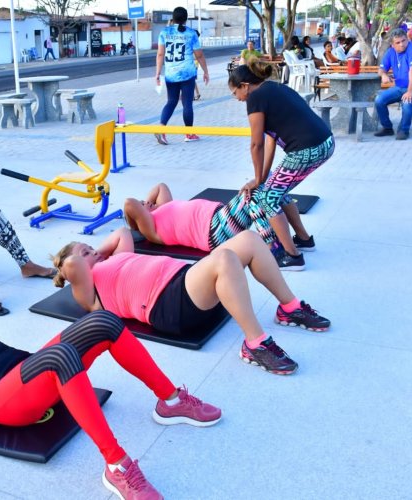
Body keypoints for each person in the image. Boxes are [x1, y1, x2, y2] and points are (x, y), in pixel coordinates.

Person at [0, 284, 221, 499]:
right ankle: (117, 466)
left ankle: (171, 401)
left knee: (106, 320)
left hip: (34, 373)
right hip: (2, 401)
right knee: (61, 355)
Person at [54, 227, 332, 375]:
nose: (94, 252)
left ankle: (289, 308)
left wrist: (98, 253)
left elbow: (122, 233)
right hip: (167, 306)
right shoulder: (89, 294)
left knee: (248, 239)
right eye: (87, 252)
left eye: (92, 248)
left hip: (185, 281)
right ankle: (255, 344)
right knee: (224, 259)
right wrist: (84, 256)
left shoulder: (115, 258)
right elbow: (73, 264)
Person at [228, 59, 334, 269]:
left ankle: (292, 256)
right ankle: (304, 240)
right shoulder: (274, 88)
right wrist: (261, 178)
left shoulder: (255, 97)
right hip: (324, 143)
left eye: (235, 93)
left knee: (268, 198)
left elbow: (256, 144)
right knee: (276, 190)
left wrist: (258, 181)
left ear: (245, 86)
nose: (237, 99)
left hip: (308, 148)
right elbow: (270, 141)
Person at [124, 182, 316, 267]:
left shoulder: (162, 208)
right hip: (214, 231)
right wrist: (138, 220)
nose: (144, 202)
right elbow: (129, 203)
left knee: (270, 187)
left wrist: (151, 204)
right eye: (142, 205)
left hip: (221, 218)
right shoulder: (152, 230)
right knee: (253, 196)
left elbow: (161, 186)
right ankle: (276, 252)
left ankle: (303, 239)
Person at [154, 6, 209, 145]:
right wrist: (206, 71)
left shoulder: (164, 32)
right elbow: (199, 55)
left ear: (172, 18)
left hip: (171, 74)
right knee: (187, 103)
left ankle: (161, 127)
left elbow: (160, 54)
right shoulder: (191, 34)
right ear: (186, 19)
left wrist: (157, 73)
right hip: (187, 73)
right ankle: (189, 134)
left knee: (171, 102)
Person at [374, 28, 412, 141]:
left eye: (404, 40)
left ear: (407, 39)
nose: (402, 44)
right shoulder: (390, 52)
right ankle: (387, 128)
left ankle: (403, 130)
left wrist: (410, 91)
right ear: (392, 44)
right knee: (379, 100)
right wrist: (384, 75)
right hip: (400, 87)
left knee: (407, 101)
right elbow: (381, 69)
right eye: (398, 42)